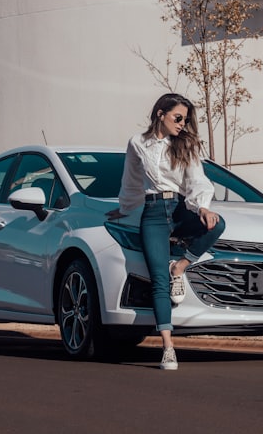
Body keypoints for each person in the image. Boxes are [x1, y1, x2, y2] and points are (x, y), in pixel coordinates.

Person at [106, 93, 225, 370]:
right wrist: (125, 209)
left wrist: (203, 208)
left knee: (218, 224)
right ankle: (168, 347)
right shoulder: (138, 143)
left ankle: (181, 267)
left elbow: (197, 180)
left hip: (181, 208)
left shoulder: (186, 145)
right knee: (158, 279)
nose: (182, 124)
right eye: (178, 118)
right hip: (153, 213)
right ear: (161, 113)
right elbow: (132, 181)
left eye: (185, 119)